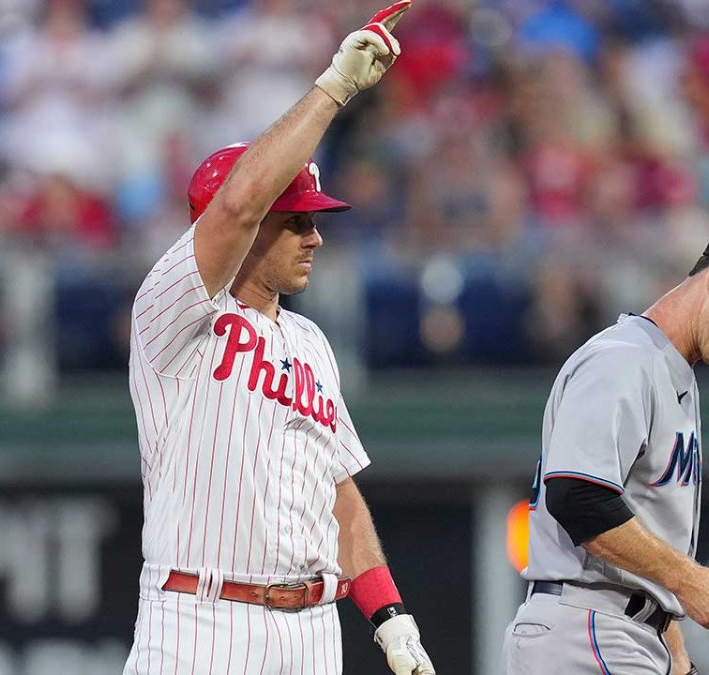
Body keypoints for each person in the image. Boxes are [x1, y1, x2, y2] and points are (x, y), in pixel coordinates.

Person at [122, 3, 435, 674]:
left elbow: (338, 492)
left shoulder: (313, 342)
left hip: (314, 633)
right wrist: (334, 89)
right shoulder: (173, 310)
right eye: (293, 221)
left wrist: (390, 615)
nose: (315, 236)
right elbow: (236, 205)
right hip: (202, 623)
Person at [504, 222, 709, 675]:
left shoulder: (672, 371)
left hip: (623, 631)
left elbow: (648, 543)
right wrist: (691, 582)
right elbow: (578, 497)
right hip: (586, 629)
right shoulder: (624, 359)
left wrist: (677, 658)